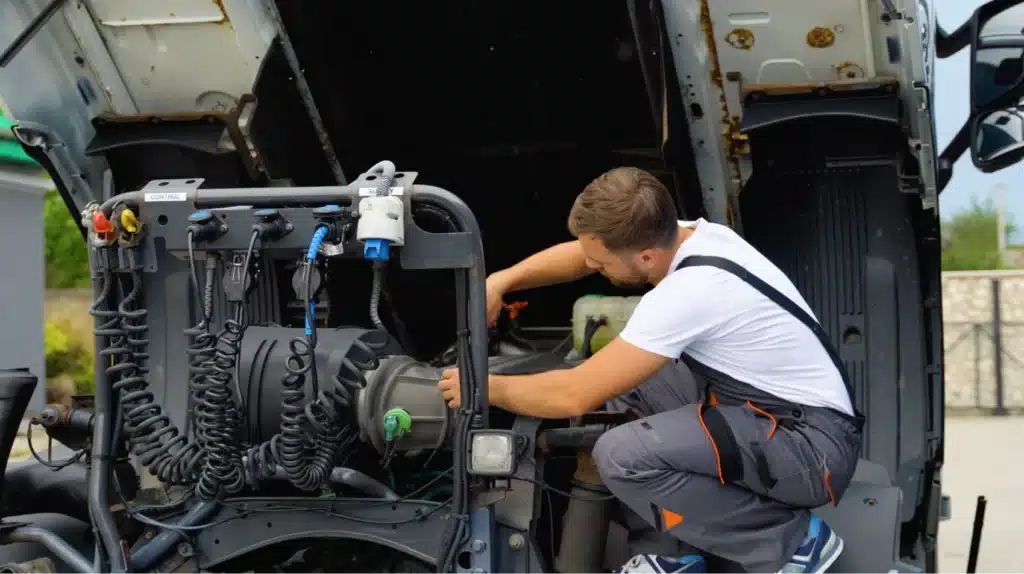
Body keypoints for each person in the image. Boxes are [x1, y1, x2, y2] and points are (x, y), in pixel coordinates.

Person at [436, 167, 863, 574]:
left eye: (602, 265)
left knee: (620, 456)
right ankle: (669, 555)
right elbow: (584, 256)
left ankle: (794, 544)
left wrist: (484, 388)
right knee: (626, 387)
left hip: (811, 451)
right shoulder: (690, 236)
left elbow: (573, 395)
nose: (594, 269)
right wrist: (502, 281)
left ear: (644, 255)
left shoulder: (688, 292)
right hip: (773, 413)